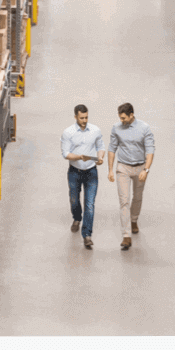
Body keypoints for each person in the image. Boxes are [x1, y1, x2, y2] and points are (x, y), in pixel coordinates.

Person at [108, 102, 155, 251]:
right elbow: (112, 148)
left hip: (140, 167)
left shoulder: (144, 128)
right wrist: (110, 170)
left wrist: (146, 170)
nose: (122, 121)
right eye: (120, 118)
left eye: (124, 118)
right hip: (123, 167)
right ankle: (126, 236)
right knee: (124, 201)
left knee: (137, 196)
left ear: (131, 115)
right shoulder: (116, 128)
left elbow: (150, 150)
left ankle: (134, 219)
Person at [60, 104, 105, 249]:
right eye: (81, 118)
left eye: (86, 117)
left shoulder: (95, 130)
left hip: (91, 172)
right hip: (75, 171)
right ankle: (77, 217)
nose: (84, 120)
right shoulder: (68, 132)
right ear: (75, 117)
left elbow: (101, 147)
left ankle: (87, 235)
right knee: (74, 199)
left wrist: (100, 157)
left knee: (90, 204)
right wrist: (79, 156)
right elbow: (66, 153)